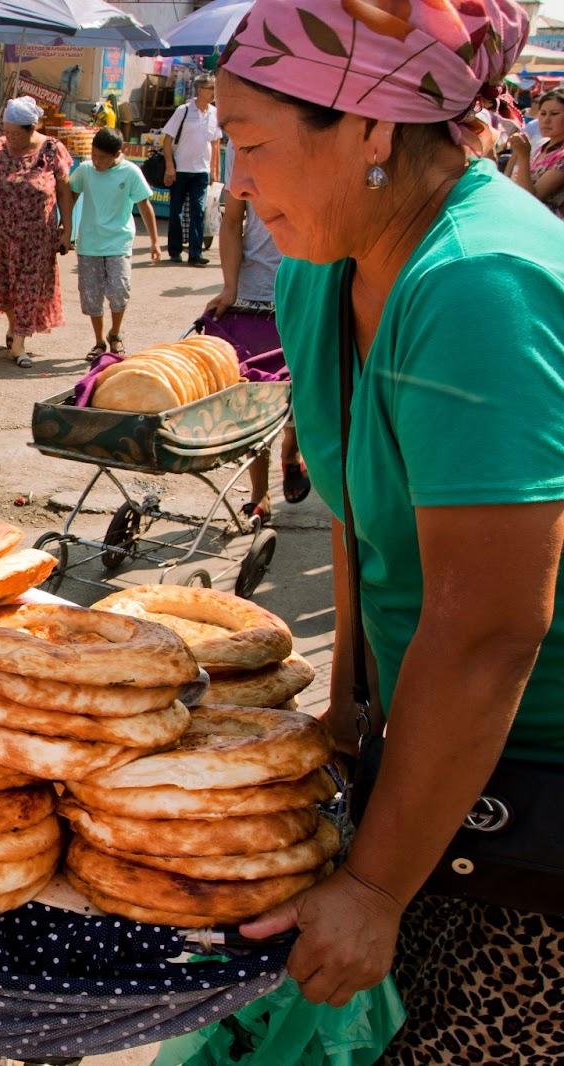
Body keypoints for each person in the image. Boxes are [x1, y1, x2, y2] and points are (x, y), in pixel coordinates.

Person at [217, 3, 564, 1061]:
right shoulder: (326, 267)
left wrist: (372, 884)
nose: (233, 182)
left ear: (370, 130)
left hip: (530, 802)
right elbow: (365, 524)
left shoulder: (477, 281)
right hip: (421, 767)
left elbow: (489, 624)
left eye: (250, 144)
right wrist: (347, 711)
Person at [202, 144, 308, 524]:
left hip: (306, 287)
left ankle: (293, 449)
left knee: (301, 392)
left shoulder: (313, 139)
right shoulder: (240, 149)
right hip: (253, 292)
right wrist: (230, 287)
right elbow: (232, 222)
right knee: (253, 396)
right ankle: (260, 493)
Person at [0, 96, 74, 368]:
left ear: (31, 128)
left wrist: (67, 227)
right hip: (1, 234)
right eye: (6, 131)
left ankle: (18, 343)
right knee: (4, 286)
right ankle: (14, 325)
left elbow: (64, 190)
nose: (10, 138)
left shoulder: (51, 149)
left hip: (36, 236)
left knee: (29, 286)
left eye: (16, 134)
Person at [69, 127, 159, 361]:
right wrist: (65, 229)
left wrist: (155, 241)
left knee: (119, 291)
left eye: (101, 157)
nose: (95, 160)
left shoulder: (130, 173)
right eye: (93, 154)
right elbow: (70, 194)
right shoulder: (85, 170)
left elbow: (144, 205)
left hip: (119, 243)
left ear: (117, 154)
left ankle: (115, 334)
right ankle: (98, 341)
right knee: (92, 296)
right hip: (89, 243)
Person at [161, 74, 221, 266]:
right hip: (181, 169)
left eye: (214, 88)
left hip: (201, 172)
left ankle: (195, 253)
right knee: (176, 211)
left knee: (198, 211)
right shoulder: (184, 110)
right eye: (210, 88)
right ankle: (175, 250)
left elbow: (216, 143)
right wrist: (170, 166)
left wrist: (215, 170)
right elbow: (168, 139)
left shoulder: (214, 113)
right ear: (199, 90)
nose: (213, 92)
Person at [507, 88, 564, 217]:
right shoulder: (542, 146)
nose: (546, 120)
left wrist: (523, 156)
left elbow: (532, 198)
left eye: (554, 114)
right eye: (542, 114)